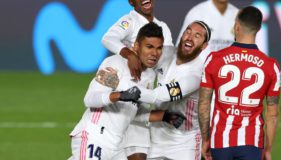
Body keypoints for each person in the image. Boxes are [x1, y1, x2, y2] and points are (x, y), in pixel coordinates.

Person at [97, 21, 211, 160]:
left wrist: (123, 87)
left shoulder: (197, 73)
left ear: (204, 46)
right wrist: (129, 56)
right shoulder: (166, 52)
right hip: (155, 135)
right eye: (188, 31)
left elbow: (161, 96)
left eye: (197, 36)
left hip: (184, 142)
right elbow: (139, 51)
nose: (190, 37)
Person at [68, 23, 183, 160]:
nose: (154, 53)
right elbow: (90, 99)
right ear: (136, 46)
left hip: (117, 146)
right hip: (95, 137)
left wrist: (164, 116)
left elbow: (134, 113)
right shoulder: (115, 63)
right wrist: (121, 95)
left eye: (159, 48)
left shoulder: (149, 76)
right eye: (149, 47)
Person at [199, 6, 281, 160]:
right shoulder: (271, 66)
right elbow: (273, 114)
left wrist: (206, 139)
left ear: (236, 26)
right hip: (252, 141)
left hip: (220, 141)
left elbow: (204, 104)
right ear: (258, 29)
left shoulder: (214, 59)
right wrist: (268, 149)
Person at [101, 1, 173, 159]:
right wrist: (130, 54)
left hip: (142, 102)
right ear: (131, 2)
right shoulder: (130, 21)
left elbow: (166, 65)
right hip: (120, 102)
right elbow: (108, 39)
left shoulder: (163, 28)